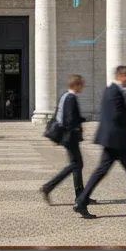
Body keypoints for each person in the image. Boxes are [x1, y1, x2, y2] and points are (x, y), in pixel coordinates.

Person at [74, 65, 126, 220]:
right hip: (118, 139)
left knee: (101, 171)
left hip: (111, 138)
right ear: (121, 75)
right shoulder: (114, 91)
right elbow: (117, 115)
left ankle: (81, 201)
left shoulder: (111, 90)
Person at [39, 75, 97, 205]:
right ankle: (48, 187)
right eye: (81, 84)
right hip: (70, 137)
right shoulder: (71, 98)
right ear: (76, 85)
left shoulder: (65, 96)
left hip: (68, 137)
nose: (82, 87)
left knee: (77, 165)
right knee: (75, 164)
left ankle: (81, 196)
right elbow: (69, 119)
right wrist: (78, 126)